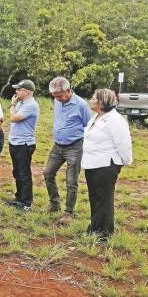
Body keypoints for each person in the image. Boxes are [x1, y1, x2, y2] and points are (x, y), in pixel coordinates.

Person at [82, 89, 132, 240]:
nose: (90, 100)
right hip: (92, 164)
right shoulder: (96, 117)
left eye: (93, 98)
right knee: (95, 197)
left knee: (104, 199)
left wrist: (125, 161)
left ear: (101, 102)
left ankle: (104, 233)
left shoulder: (115, 120)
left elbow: (123, 143)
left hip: (106, 165)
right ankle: (95, 227)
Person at [44, 76, 92, 224]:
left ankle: (68, 213)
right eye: (54, 96)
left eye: (59, 96)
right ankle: (54, 204)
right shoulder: (58, 101)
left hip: (74, 147)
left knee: (71, 181)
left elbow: (88, 125)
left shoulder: (81, 105)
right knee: (48, 173)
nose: (57, 99)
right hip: (58, 145)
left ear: (69, 90)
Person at [7, 79, 40, 211]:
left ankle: (26, 203)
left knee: (24, 173)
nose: (16, 91)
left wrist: (11, 105)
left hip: (24, 144)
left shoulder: (31, 105)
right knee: (17, 172)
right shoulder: (22, 103)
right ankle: (19, 198)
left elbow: (14, 118)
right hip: (15, 142)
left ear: (25, 91)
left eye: (18, 89)